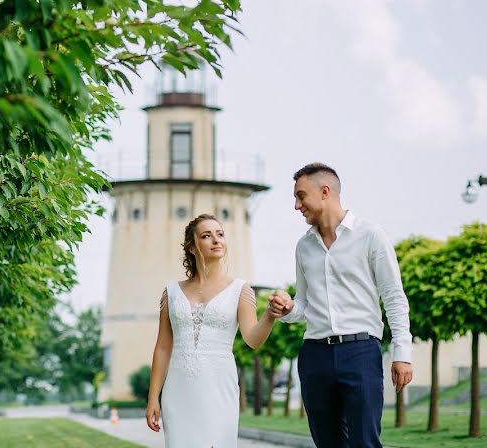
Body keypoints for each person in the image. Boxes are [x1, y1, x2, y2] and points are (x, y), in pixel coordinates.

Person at [271, 163, 413, 448]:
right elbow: (303, 304)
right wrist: (288, 310)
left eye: (301, 196)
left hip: (360, 353)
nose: (297, 206)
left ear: (325, 192)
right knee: (327, 443)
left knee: (364, 442)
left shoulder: (371, 235)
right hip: (314, 356)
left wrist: (403, 352)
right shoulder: (304, 246)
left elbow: (394, 296)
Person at [145, 213, 290, 447]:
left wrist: (270, 316)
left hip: (219, 386)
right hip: (178, 389)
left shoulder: (240, 289)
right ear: (192, 247)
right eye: (206, 236)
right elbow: (162, 348)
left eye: (220, 234)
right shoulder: (170, 293)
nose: (216, 240)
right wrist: (154, 397)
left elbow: (252, 339)